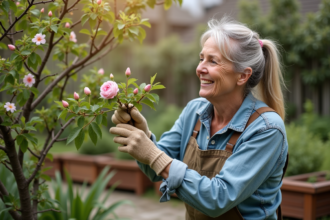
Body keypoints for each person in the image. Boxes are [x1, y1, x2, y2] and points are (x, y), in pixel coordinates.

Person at [110, 17, 288, 220]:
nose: (200, 68)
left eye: (213, 61)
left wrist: (153, 155)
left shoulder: (266, 129)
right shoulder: (194, 111)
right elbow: (157, 170)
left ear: (242, 76)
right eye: (201, 58)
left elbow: (218, 198)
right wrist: (144, 135)